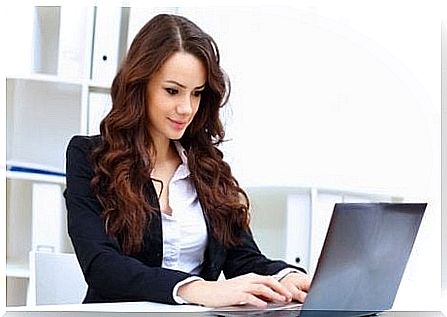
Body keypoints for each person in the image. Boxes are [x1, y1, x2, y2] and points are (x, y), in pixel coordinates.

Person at [64, 13, 311, 308]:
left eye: (197, 94)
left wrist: (284, 278)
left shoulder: (207, 166)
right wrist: (197, 289)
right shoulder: (89, 157)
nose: (186, 108)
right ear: (139, 85)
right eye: (172, 91)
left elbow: (241, 257)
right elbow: (102, 267)